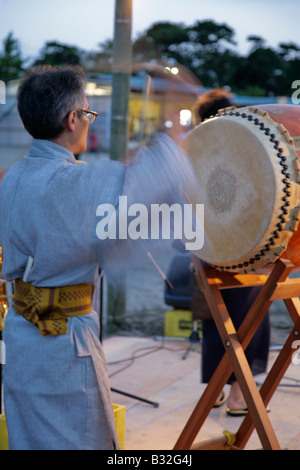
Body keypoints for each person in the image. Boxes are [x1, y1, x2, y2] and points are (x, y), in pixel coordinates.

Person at [0, 66, 200, 450]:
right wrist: (175, 130)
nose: (89, 122)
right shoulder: (78, 181)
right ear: (72, 119)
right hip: (64, 344)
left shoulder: (12, 177)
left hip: (21, 338)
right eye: (88, 114)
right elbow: (152, 179)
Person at [192, 88, 271, 415]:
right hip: (245, 244)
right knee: (247, 319)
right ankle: (238, 394)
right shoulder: (243, 148)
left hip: (211, 246)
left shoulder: (198, 149)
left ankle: (220, 390)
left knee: (220, 320)